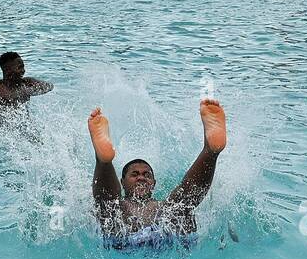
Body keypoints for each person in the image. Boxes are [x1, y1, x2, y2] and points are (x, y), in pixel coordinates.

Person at [88, 99, 226, 247]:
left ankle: (211, 150)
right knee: (107, 206)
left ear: (154, 184)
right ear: (122, 182)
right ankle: (103, 160)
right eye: (134, 174)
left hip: (162, 236)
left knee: (182, 205)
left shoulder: (163, 207)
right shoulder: (121, 206)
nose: (141, 177)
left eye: (147, 175)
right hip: (125, 237)